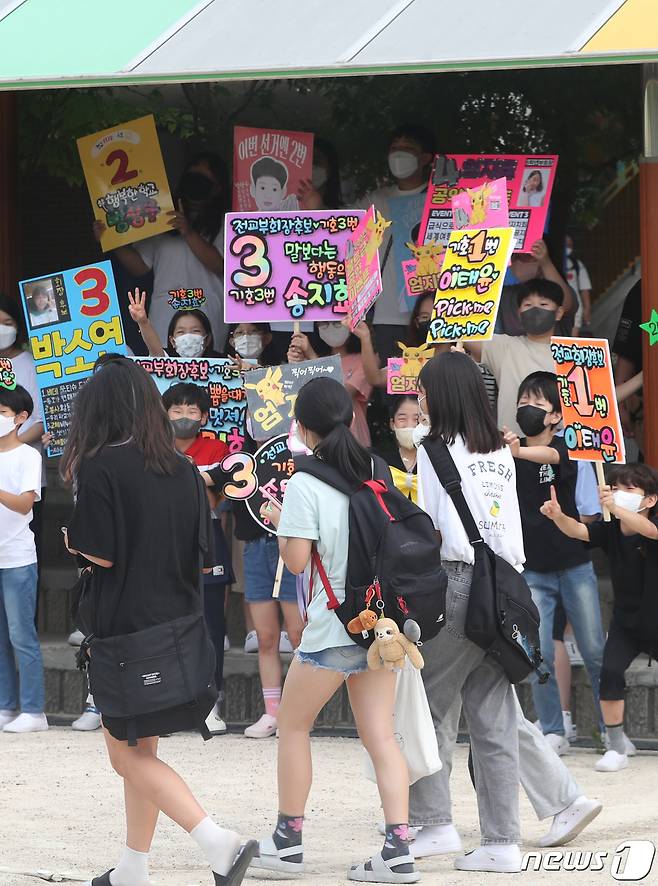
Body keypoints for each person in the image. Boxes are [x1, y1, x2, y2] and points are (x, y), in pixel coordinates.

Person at [62, 357, 255, 886]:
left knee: (125, 755)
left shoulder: (101, 466)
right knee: (141, 748)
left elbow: (98, 553)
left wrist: (70, 542)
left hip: (125, 629)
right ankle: (133, 868)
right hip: (179, 624)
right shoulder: (182, 468)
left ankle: (219, 842)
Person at [250, 377, 418, 883]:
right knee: (381, 737)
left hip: (331, 630)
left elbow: (297, 563)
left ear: (301, 426)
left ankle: (287, 841)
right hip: (380, 629)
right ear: (350, 419)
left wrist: (280, 520)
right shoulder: (378, 471)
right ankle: (398, 849)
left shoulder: (305, 482)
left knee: (294, 725)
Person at [409, 351, 524, 873]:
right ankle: (502, 841)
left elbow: (432, 528)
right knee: (494, 718)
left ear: (442, 395)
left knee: (425, 707)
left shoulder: (431, 449)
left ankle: (434, 824)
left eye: (424, 389)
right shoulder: (500, 448)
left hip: (458, 583)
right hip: (508, 586)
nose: (419, 398)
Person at [502, 371, 604, 754]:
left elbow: (551, 455)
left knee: (594, 650)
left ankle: (609, 730)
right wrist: (508, 452)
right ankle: (552, 730)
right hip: (533, 569)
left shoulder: (567, 449)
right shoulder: (506, 453)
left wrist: (517, 451)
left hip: (575, 564)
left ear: (555, 417)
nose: (527, 408)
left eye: (538, 403)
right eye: (523, 400)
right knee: (538, 650)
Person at [541, 463, 658, 773]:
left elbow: (650, 531)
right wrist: (558, 516)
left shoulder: (652, 523)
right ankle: (617, 746)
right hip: (626, 622)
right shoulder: (610, 528)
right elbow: (578, 531)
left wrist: (617, 508)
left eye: (629, 490)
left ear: (650, 500)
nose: (620, 494)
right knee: (610, 672)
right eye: (617, 488)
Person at [95, 153, 229, 350]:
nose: (196, 183)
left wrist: (188, 232)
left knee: (207, 370)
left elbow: (223, 266)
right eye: (192, 176)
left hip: (207, 311)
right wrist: (110, 240)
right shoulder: (161, 218)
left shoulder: (226, 222)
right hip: (165, 312)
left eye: (204, 179)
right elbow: (140, 267)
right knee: (164, 370)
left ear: (218, 187)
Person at [162, 382, 235, 736]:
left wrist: (186, 479)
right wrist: (201, 478)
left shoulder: (218, 448)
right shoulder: (154, 447)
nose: (184, 417)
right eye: (176, 410)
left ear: (205, 416)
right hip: (163, 542)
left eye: (192, 411)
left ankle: (211, 702)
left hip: (208, 539)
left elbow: (215, 501)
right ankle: (168, 703)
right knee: (164, 624)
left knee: (210, 626)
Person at [356, 124, 436, 362]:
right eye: (394, 148)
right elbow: (339, 230)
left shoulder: (440, 198)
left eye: (408, 148)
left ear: (425, 158)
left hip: (431, 311)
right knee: (393, 387)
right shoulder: (375, 200)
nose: (399, 154)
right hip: (388, 313)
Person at [0, 384, 47, 734]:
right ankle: (5, 706)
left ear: (21, 418)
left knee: (22, 636)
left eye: (3, 413)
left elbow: (25, 503)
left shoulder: (28, 456)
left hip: (17, 557)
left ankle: (34, 710)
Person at [467, 278, 566, 435]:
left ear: (559, 313)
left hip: (559, 448)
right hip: (511, 447)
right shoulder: (504, 347)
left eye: (543, 304)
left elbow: (599, 398)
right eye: (528, 305)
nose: (535, 310)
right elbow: (461, 330)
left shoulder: (572, 354)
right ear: (519, 313)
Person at [0, 296, 46, 572]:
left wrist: (9, 445)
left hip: (24, 473)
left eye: (8, 323)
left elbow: (41, 420)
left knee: (26, 548)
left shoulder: (32, 364)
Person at [288, 321, 373, 447]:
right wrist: (296, 362)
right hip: (320, 441)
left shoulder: (362, 361)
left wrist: (311, 356)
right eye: (324, 324)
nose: (331, 328)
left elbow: (341, 394)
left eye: (337, 323)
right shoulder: (315, 360)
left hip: (354, 441)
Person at [495, 240, 575, 337]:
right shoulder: (504, 294)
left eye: (525, 257)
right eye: (514, 256)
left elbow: (565, 303)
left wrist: (545, 262)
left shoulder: (557, 291)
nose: (516, 262)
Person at [128, 288, 223, 358]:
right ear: (172, 341)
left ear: (208, 339)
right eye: (181, 332)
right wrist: (143, 322)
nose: (188, 336)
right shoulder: (166, 363)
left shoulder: (222, 364)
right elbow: (156, 351)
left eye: (195, 330)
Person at [375, 396, 421, 503]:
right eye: (402, 419)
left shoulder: (432, 461)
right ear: (392, 424)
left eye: (416, 419)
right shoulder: (381, 462)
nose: (409, 425)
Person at [564, 235, 592, 335]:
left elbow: (584, 288)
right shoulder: (550, 263)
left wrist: (587, 308)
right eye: (566, 244)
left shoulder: (577, 264)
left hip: (575, 308)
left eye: (570, 245)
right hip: (555, 308)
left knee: (571, 343)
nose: (568, 247)